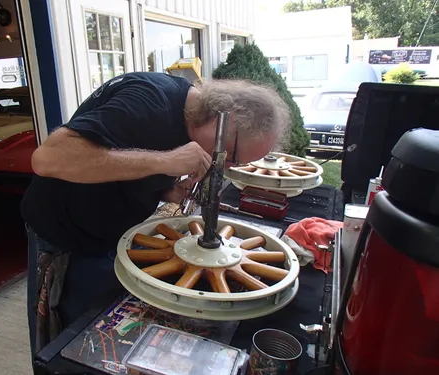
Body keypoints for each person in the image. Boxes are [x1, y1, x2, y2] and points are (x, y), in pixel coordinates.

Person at [21, 71, 290, 362]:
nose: (222, 166)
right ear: (225, 114)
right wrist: (167, 161)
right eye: (232, 156)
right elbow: (48, 158)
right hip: (67, 235)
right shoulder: (147, 101)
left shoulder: (191, 120)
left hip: (112, 233)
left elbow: (124, 157)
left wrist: (165, 189)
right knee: (80, 343)